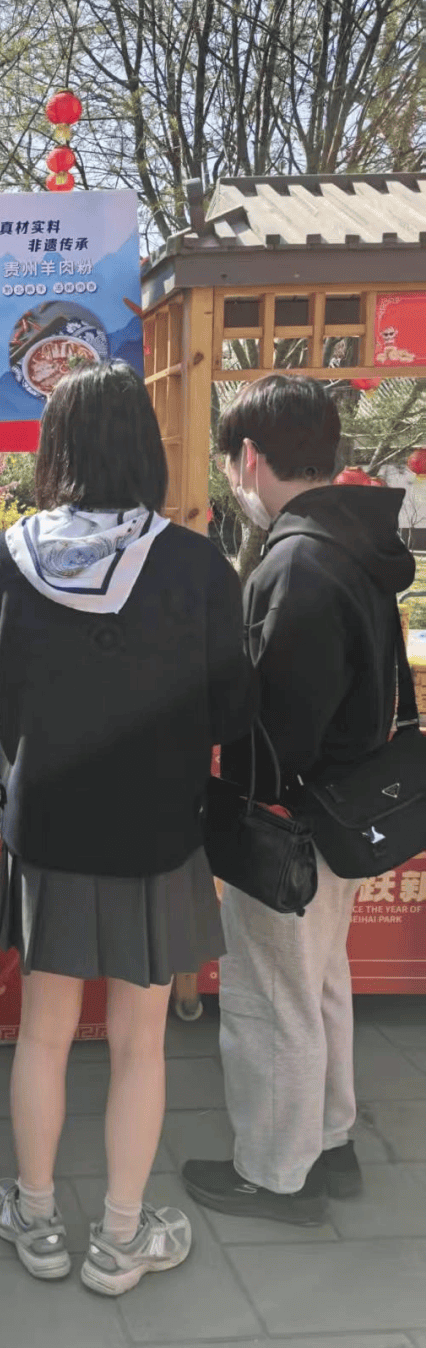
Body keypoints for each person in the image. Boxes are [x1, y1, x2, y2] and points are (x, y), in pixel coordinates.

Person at [0, 362, 255, 1295]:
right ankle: (121, 1240)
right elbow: (227, 712)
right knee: (140, 1041)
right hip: (160, 832)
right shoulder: (196, 562)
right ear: (146, 448)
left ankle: (39, 1217)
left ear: (55, 449)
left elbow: (6, 697)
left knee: (42, 1034)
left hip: (47, 832)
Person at [182, 375, 414, 1224]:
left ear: (247, 458)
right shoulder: (350, 543)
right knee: (318, 983)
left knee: (270, 996)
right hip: (348, 815)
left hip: (291, 827)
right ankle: (331, 1136)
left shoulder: (296, 561)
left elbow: (276, 726)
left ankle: (277, 1173)